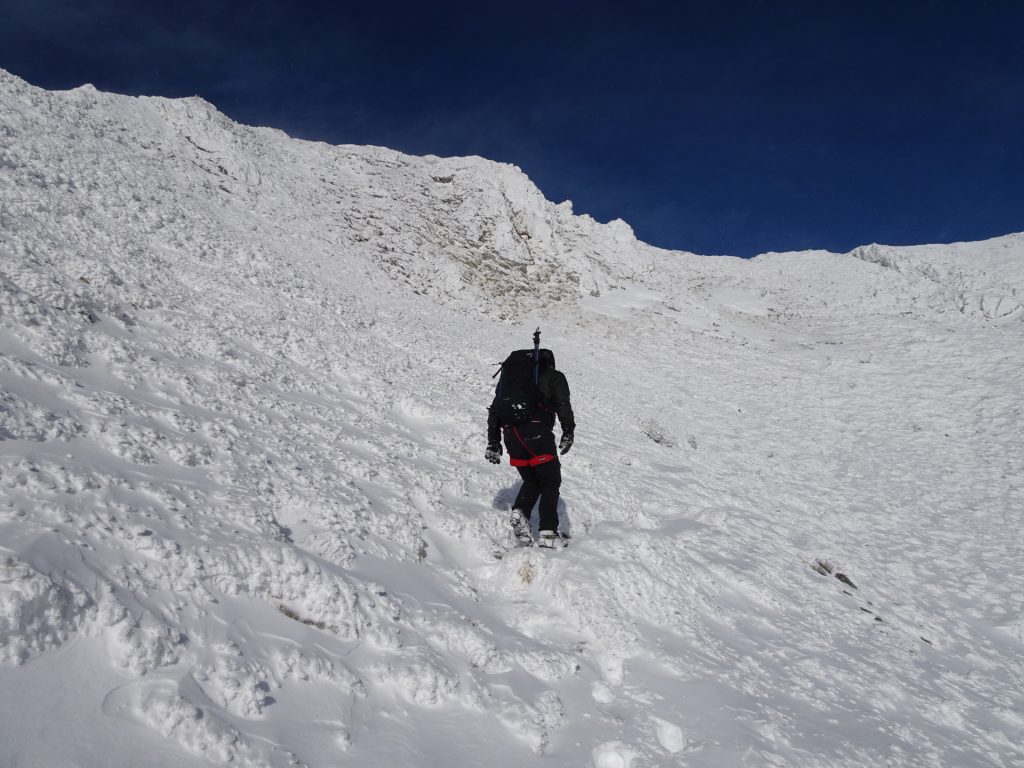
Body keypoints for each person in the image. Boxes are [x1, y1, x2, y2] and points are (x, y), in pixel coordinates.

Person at [486, 344, 575, 547]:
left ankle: (520, 512)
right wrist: (568, 431)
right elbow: (563, 404)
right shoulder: (553, 376)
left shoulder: (510, 383)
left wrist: (494, 442)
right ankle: (549, 533)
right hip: (536, 432)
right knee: (551, 480)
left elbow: (494, 411)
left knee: (533, 480)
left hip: (510, 435)